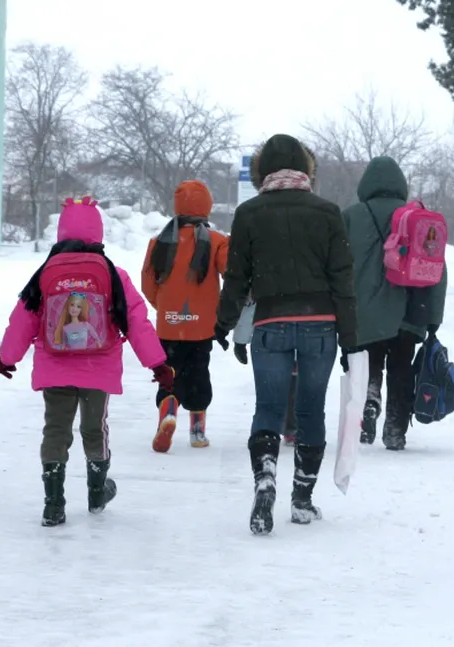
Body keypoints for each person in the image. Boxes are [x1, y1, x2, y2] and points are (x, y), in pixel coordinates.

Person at [0, 197, 173, 527]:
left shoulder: (46, 272)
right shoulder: (111, 273)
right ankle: (96, 491)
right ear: (98, 232)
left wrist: (8, 357)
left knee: (56, 430)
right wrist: (157, 363)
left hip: (55, 366)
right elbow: (136, 320)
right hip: (98, 366)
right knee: (95, 428)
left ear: (61, 231)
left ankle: (53, 503)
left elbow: (23, 317)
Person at [214, 133, 357, 536]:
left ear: (263, 171)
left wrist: (223, 324)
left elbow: (237, 278)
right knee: (311, 410)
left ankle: (265, 477)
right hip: (320, 325)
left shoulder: (249, 213)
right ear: (305, 169)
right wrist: (351, 337)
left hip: (270, 323)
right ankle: (302, 499)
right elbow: (343, 280)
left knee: (269, 408)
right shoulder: (328, 213)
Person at [341, 156, 447, 450]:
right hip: (410, 310)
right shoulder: (418, 217)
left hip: (366, 312)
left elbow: (336, 265)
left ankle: (370, 401)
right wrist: (433, 317)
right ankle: (395, 429)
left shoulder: (351, 216)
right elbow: (438, 268)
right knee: (401, 371)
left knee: (371, 363)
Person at [141, 180, 230, 452]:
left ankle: (167, 414)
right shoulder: (216, 241)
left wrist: (164, 308)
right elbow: (231, 273)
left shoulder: (159, 242)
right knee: (198, 375)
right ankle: (197, 431)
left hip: (168, 326)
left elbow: (148, 283)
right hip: (202, 327)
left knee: (169, 374)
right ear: (207, 208)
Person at [232, 295, 298, 446]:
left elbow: (251, 304)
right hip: (307, 330)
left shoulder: (265, 272)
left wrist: (241, 340)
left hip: (270, 332)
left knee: (270, 389)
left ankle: (267, 432)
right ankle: (293, 427)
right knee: (296, 384)